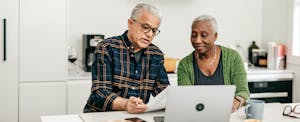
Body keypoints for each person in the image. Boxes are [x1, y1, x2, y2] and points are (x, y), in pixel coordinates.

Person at [83, 3, 169, 114]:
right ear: (130, 23)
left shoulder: (156, 55)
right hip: (100, 115)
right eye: (145, 27)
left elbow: (164, 93)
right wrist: (126, 104)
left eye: (154, 30)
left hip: (135, 116)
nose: (149, 34)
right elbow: (100, 93)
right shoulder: (107, 48)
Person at [177, 15, 250, 112]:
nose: (197, 40)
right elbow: (186, 98)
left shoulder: (233, 58)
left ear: (215, 36)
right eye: (194, 35)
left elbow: (243, 91)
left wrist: (236, 102)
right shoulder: (184, 65)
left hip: (228, 115)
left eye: (204, 35)